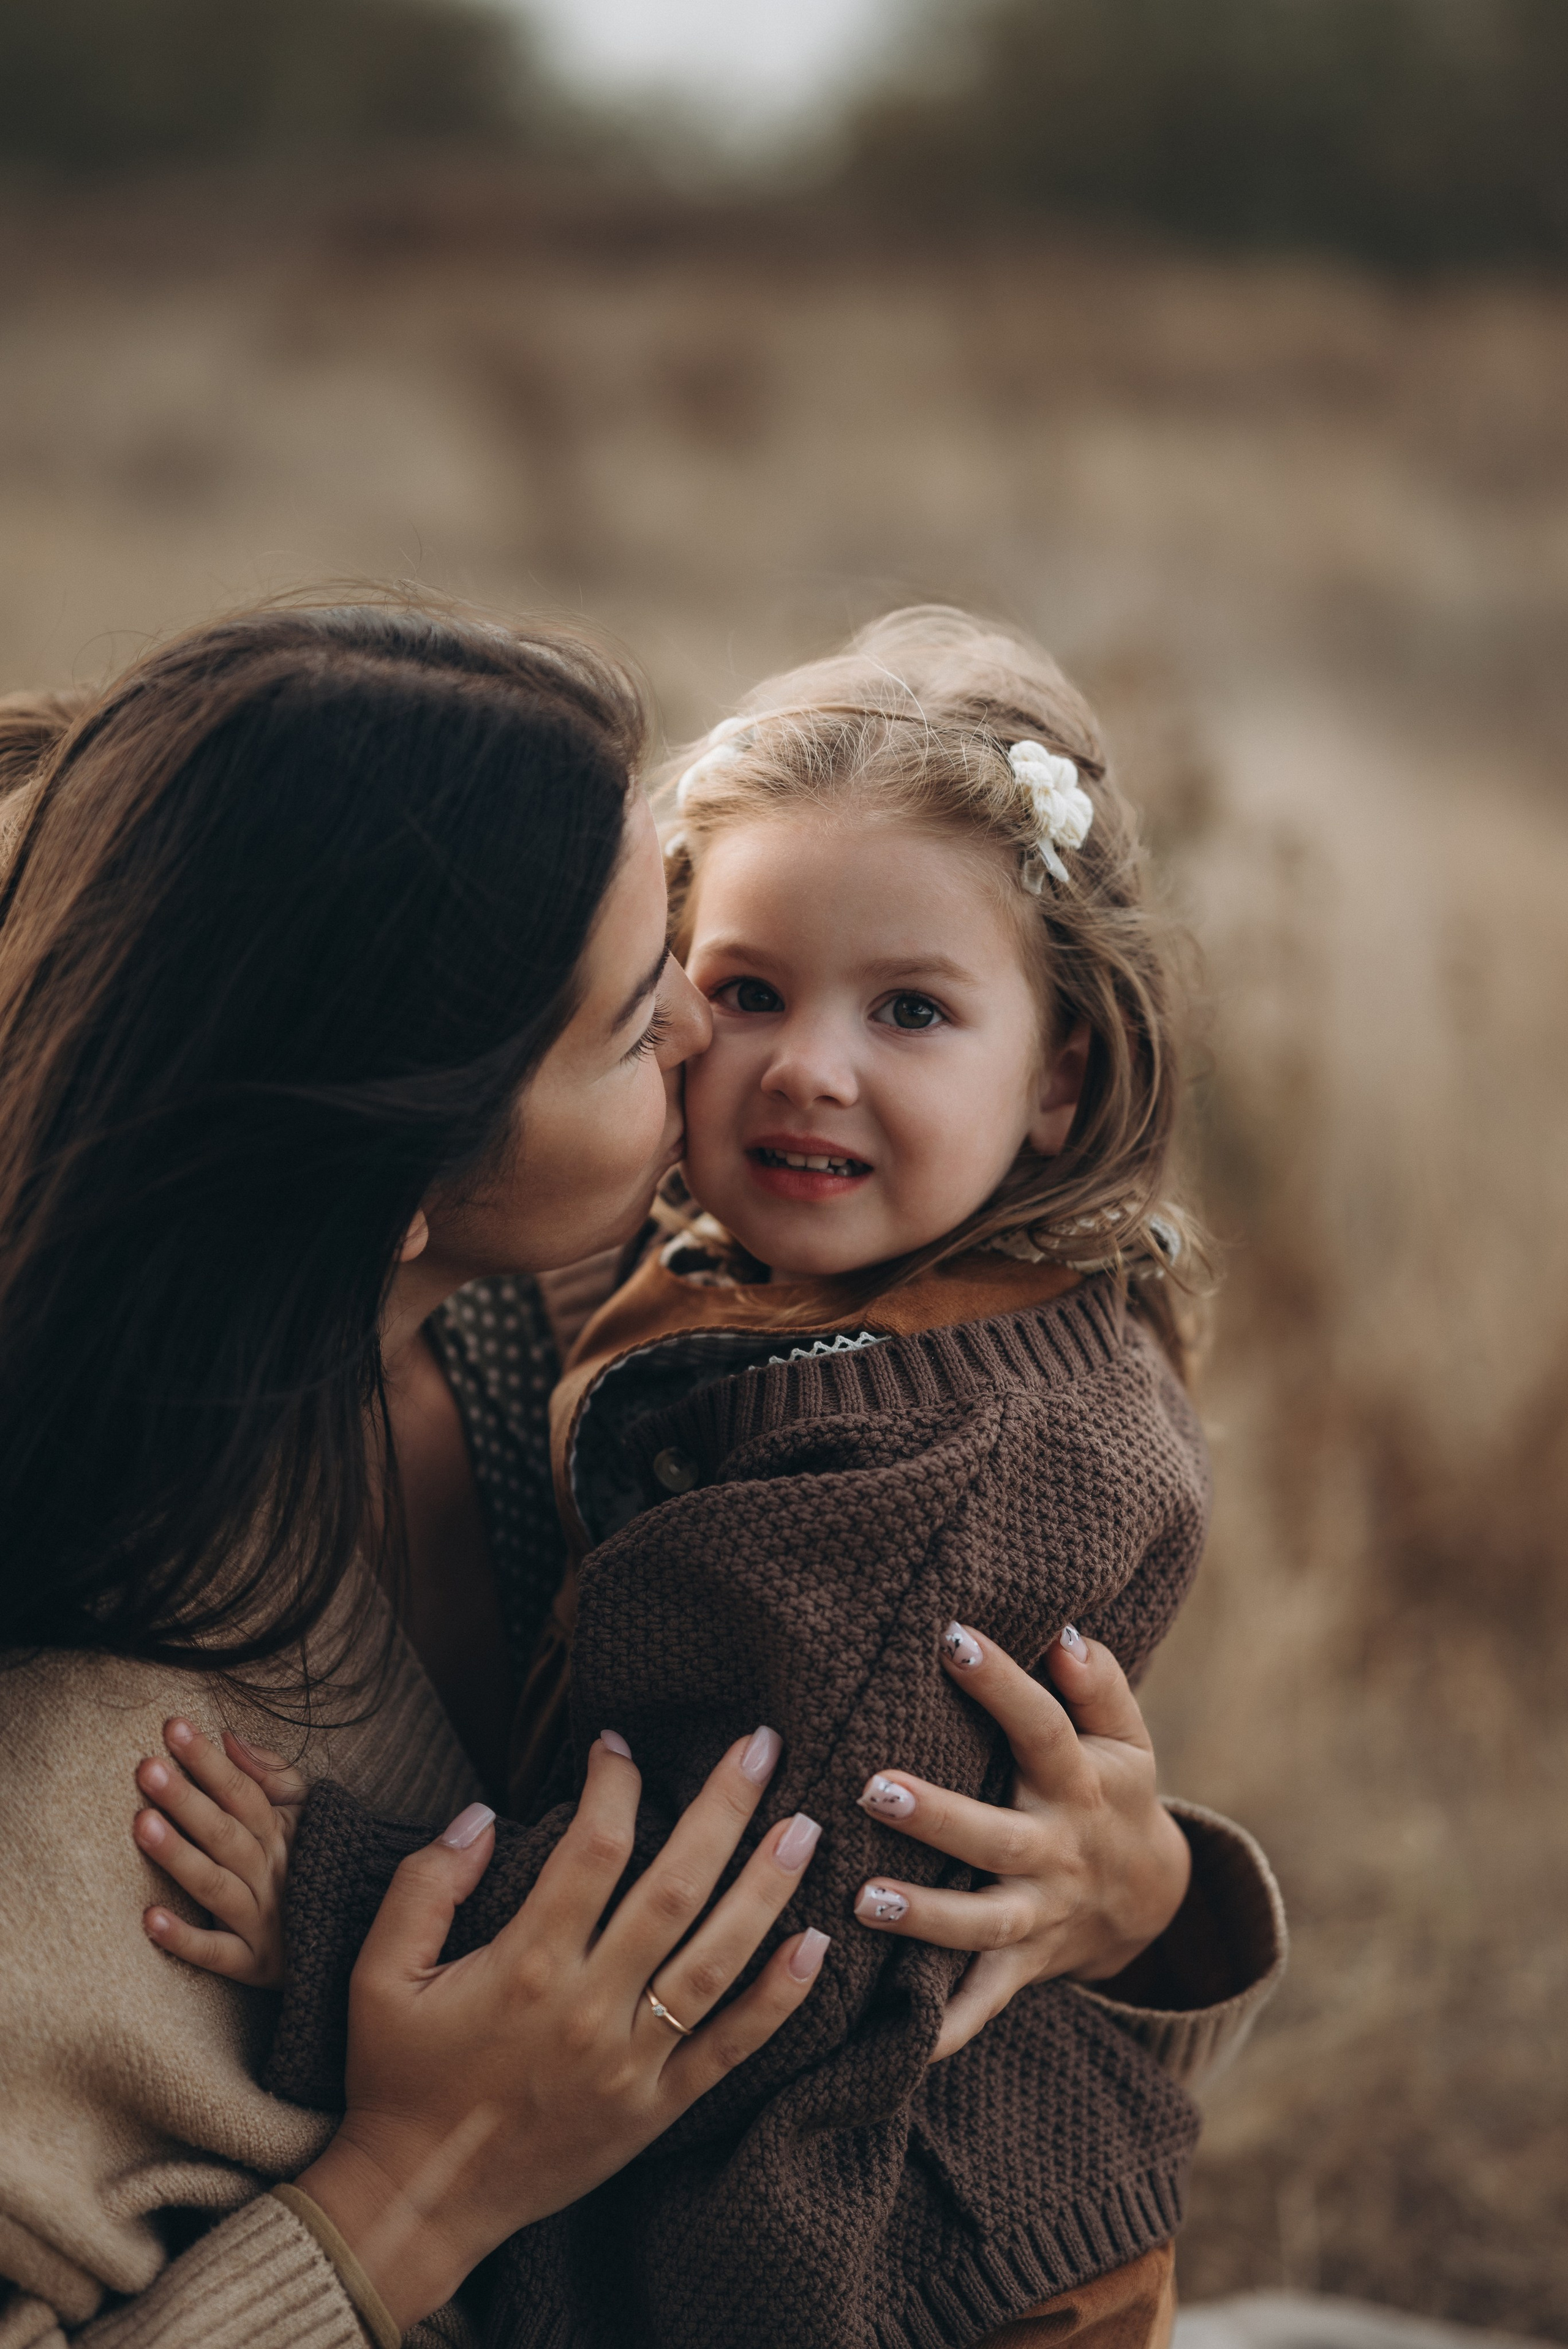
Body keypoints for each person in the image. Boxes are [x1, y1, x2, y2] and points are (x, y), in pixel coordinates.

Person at [125, 606, 1286, 2349]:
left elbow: (763, 1874)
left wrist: (337, 1900)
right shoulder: (740, 1278)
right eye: (742, 991)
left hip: (913, 2268)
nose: (806, 1064)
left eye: (911, 1009)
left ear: (1059, 1078)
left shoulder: (955, 1452)